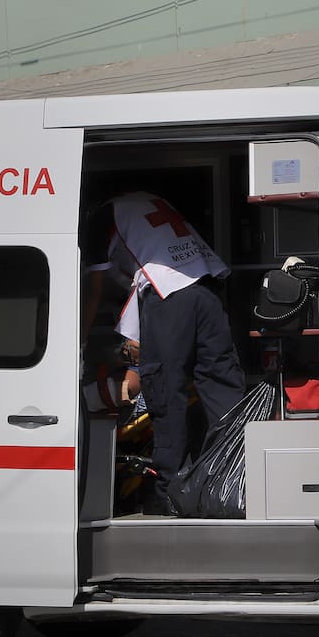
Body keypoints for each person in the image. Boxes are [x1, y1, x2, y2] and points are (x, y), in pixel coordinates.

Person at [82, 191, 245, 515]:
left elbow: (94, 288)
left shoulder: (98, 220)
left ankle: (171, 492)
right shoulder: (148, 202)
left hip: (170, 297)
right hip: (207, 288)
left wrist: (81, 340)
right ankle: (234, 482)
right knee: (221, 385)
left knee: (165, 392)